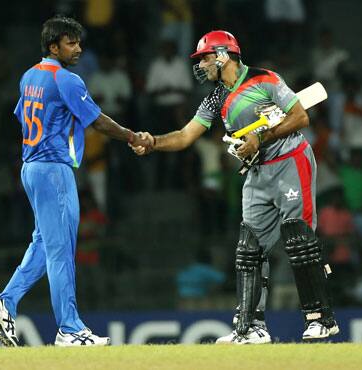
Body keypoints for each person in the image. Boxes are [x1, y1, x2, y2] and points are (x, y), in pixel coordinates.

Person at [130, 30, 338, 344]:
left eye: (205, 58)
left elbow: (300, 118)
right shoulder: (216, 98)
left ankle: (321, 319)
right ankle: (251, 327)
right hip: (256, 171)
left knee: (298, 239)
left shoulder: (265, 79)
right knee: (248, 250)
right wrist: (154, 142)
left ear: (224, 55)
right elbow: (186, 136)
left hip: (290, 161)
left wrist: (261, 137)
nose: (201, 65)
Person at [0, 16, 152, 347]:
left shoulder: (29, 76)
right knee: (62, 251)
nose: (78, 48)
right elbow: (98, 122)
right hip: (53, 169)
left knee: (45, 244)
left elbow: (21, 116)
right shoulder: (67, 80)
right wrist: (132, 137)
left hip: (30, 167)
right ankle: (69, 329)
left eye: (78, 42)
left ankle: (5, 303)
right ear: (53, 46)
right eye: (70, 42)